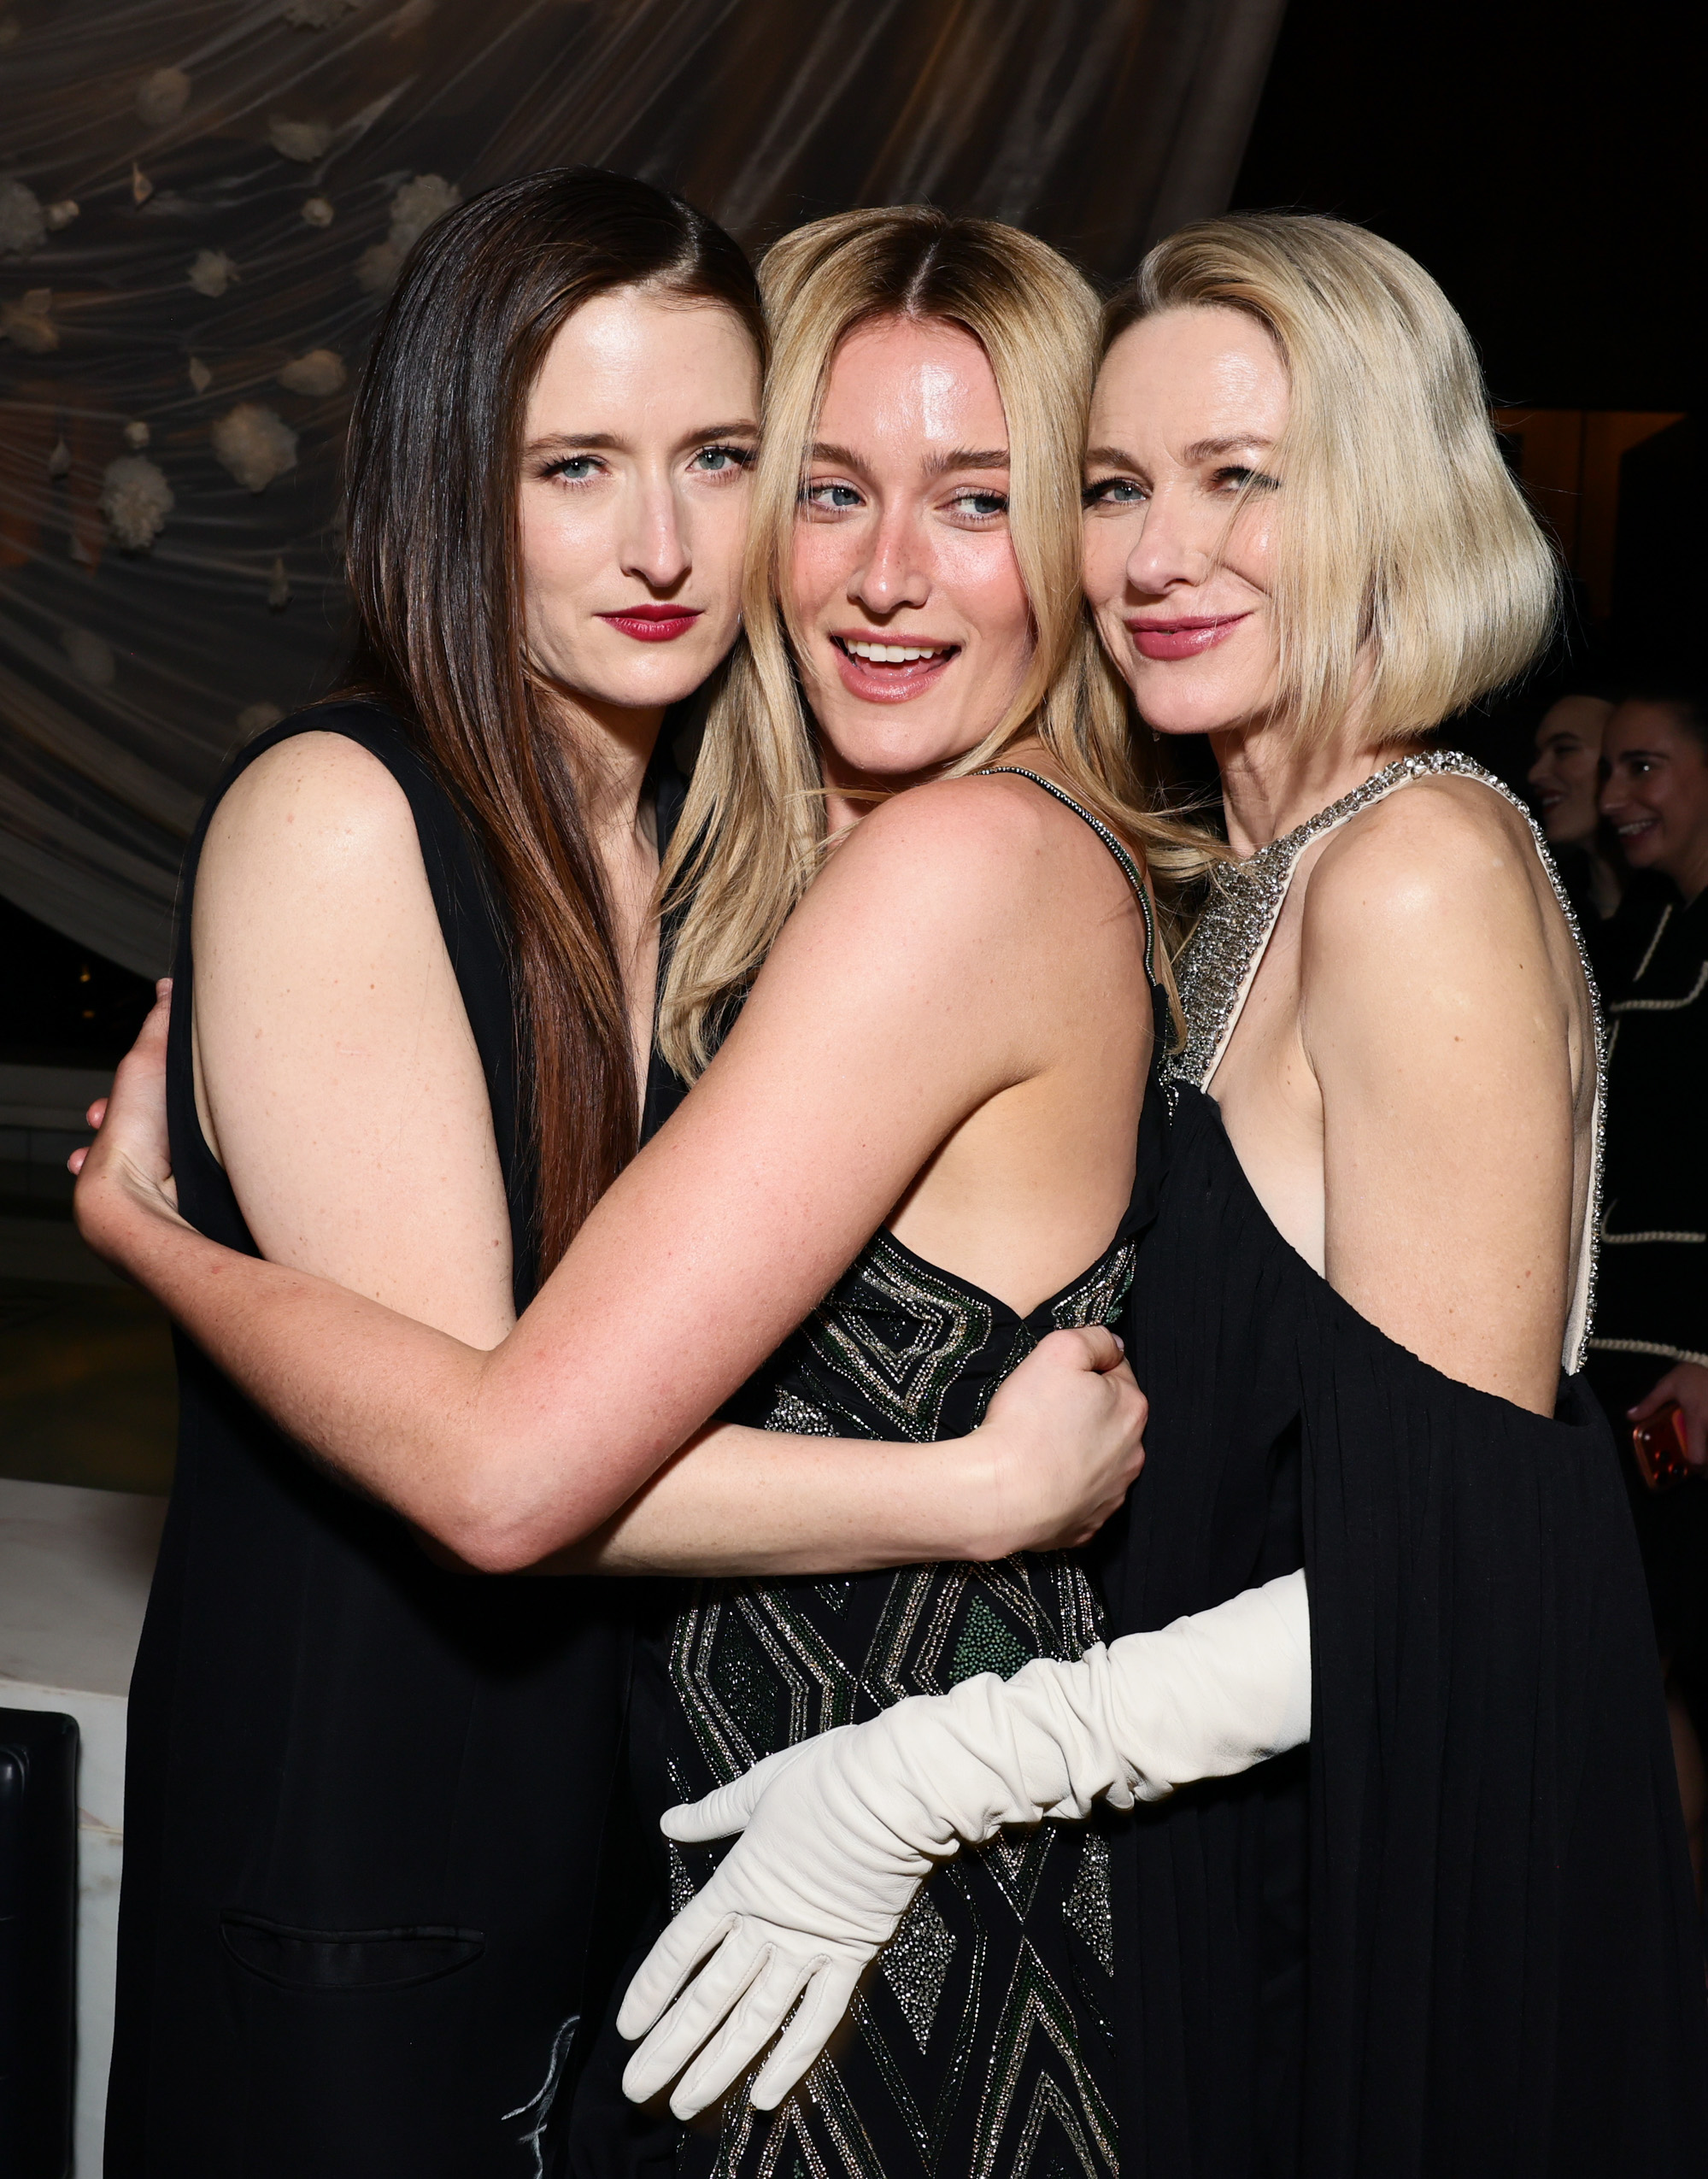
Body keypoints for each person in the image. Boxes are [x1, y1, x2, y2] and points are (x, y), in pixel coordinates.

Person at [73, 207, 1312, 2179]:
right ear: (450, 496)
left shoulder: (896, 861)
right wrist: (963, 1491)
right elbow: (497, 1459)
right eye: (578, 467)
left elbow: (516, 1456)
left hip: (779, 1889)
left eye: (720, 462)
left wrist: (148, 1237)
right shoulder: (455, 823)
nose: (669, 543)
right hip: (386, 1854)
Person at [621, 216, 1708, 2177]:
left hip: (1392, 1890)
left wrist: (921, 1773)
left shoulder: (1418, 869)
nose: (1153, 555)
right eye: (1113, 487)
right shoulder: (1252, 869)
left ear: (1391, 503)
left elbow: (1457, 1583)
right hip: (1233, 1836)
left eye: (1241, 482)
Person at [1590, 684, 1708, 1894]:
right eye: (1606, 770)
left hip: (1683, 1376)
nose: (1619, 797)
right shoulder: (1649, 936)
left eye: (1645, 767)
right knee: (1637, 1662)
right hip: (1621, 1376)